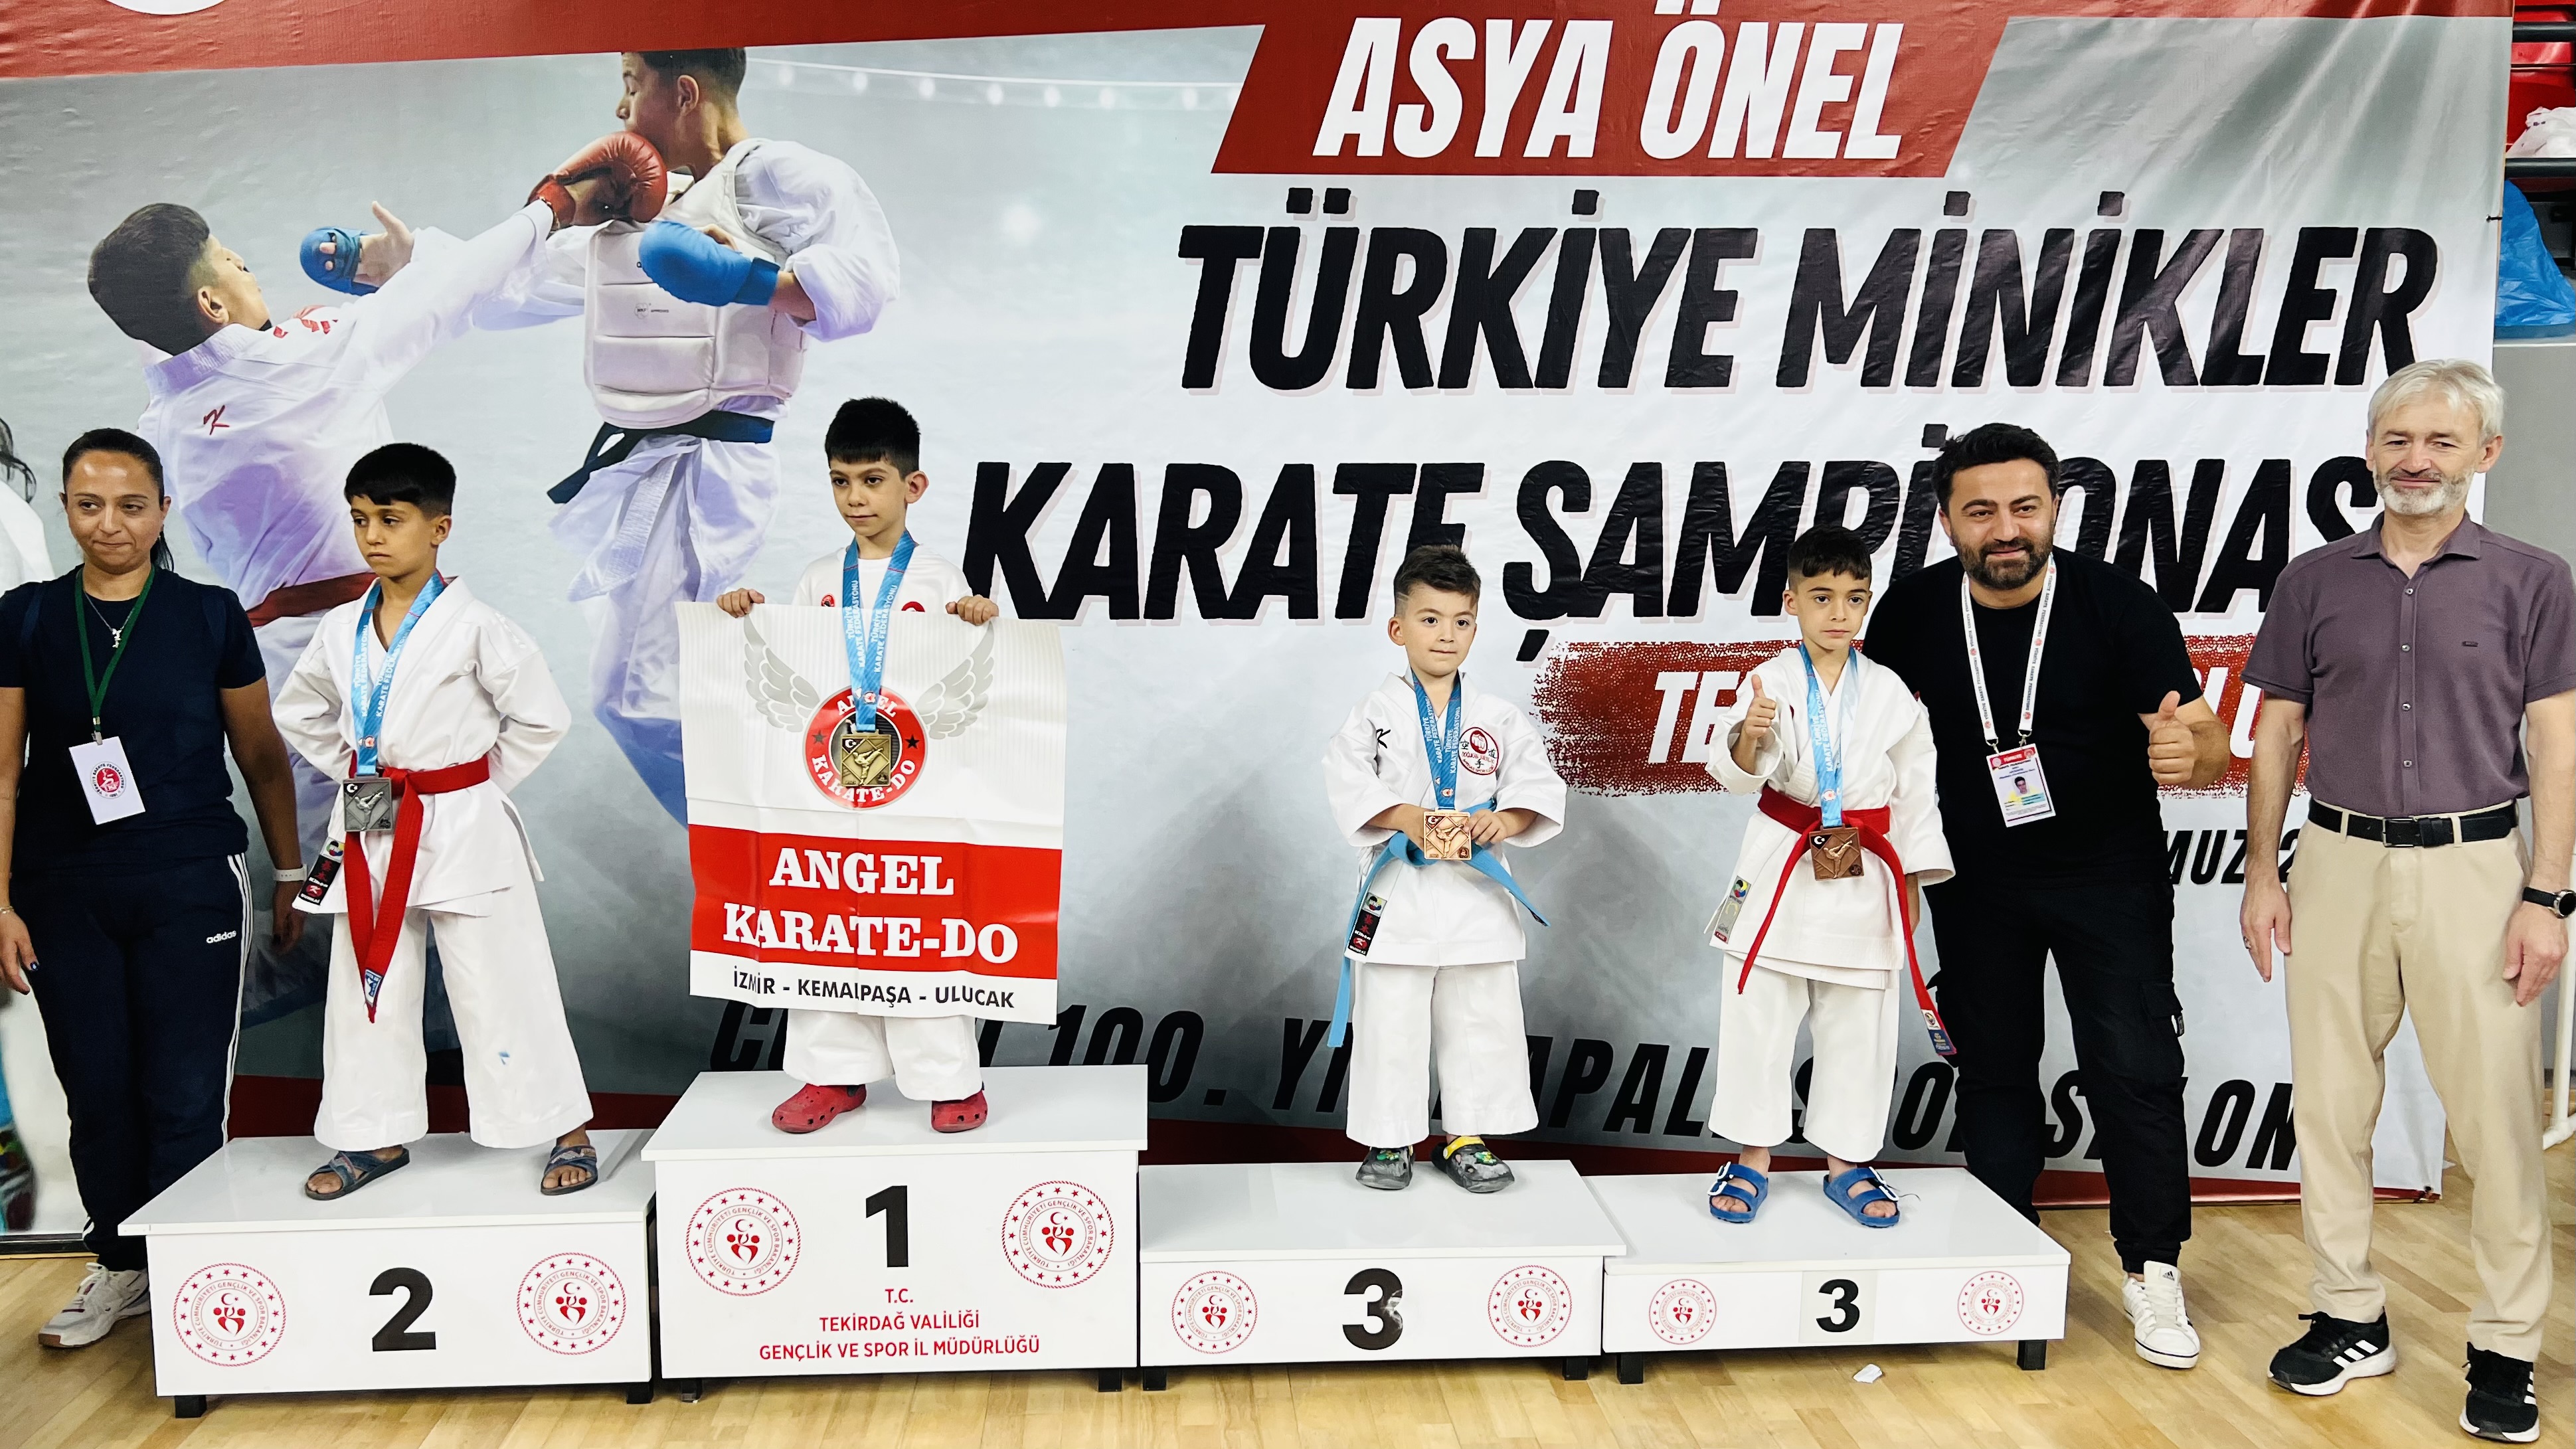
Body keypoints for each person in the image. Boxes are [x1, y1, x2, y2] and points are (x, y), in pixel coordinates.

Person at [85, 155, 645, 1019]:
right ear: (211, 304)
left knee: (356, 873)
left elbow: (204, 330)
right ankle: (413, 1024)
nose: (245, 264)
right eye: (229, 258)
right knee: (406, 870)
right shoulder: (301, 363)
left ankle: (298, 988)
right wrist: (550, 206)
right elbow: (448, 293)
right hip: (369, 656)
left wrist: (399, 269)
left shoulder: (165, 418)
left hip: (283, 669)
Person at [2240, 359, 2563, 1444]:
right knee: (2329, 1106)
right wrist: (2260, 872)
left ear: (2484, 453)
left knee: (2495, 1118)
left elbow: (2554, 746)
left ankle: (2503, 1343)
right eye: (2396, 439)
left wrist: (2544, 893)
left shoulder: (2532, 580)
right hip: (2334, 860)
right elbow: (2275, 733)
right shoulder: (2311, 580)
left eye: (2438, 440)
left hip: (2476, 867)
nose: (2413, 459)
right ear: (2369, 448)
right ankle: (2346, 1315)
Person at [1861, 422, 2230, 1371]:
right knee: (1993, 1069)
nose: (2005, 528)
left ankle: (2151, 1267)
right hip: (1973, 878)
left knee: (2135, 1067)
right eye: (1980, 510)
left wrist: (2192, 754)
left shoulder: (2118, 605)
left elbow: (2205, 741)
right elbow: (1866, 741)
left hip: (2107, 876)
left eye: (2024, 506)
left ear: (2054, 509)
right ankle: (2003, 1251)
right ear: (1946, 521)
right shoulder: (1909, 612)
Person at [460, 47, 901, 822]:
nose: (621, 110)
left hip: (711, 470)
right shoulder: (648, 209)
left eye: (632, 86)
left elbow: (868, 282)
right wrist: (406, 267)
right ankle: (775, 836)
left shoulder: (778, 176)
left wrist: (750, 280)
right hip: (646, 470)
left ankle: (791, 832)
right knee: (642, 690)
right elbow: (527, 282)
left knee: (644, 696)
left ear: (686, 92)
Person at [0, 430, 305, 1346]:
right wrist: (0, 901)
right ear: (65, 509)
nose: (111, 524)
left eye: (132, 505)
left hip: (189, 880)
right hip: (61, 888)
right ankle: (121, 1266)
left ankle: (190, 1272)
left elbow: (261, 756)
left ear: (164, 510)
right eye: (89, 504)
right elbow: (4, 774)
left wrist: (290, 871)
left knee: (182, 1092)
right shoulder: (25, 616)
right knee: (97, 1091)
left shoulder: (210, 615)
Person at [272, 444, 596, 1199]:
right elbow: (299, 709)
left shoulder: (479, 626)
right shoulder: (340, 628)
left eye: (391, 519)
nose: (373, 536)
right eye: (360, 520)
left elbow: (542, 719)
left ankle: (564, 1127)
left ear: (439, 527)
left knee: (500, 978)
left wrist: (470, 788)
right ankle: (371, 1135)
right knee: (367, 983)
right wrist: (364, 772)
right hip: (372, 818)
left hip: (460, 823)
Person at [717, 398, 1000, 1134]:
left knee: (918, 929)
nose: (855, 498)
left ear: (913, 486)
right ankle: (833, 1075)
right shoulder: (818, 578)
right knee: (828, 926)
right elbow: (791, 668)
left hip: (916, 789)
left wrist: (975, 620)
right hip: (830, 785)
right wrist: (748, 615)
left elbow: (965, 684)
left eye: (873, 480)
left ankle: (949, 1079)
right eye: (840, 481)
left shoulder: (939, 580)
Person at [1701, 525, 1952, 1228]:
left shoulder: (1892, 692)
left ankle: (1848, 1162)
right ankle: (1751, 1158)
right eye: (1821, 597)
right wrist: (1750, 736)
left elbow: (1916, 792)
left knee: (1859, 1025)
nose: (1839, 613)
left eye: (1854, 598)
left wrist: (1912, 882)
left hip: (1864, 870)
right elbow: (1738, 771)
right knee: (1758, 1015)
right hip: (1782, 861)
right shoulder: (1769, 681)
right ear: (1791, 601)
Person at [1320, 544, 1565, 1193]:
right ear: (1397, 628)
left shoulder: (1498, 716)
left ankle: (1467, 1137)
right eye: (1429, 619)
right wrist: (1407, 816)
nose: (1446, 634)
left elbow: (1537, 786)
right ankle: (1389, 1140)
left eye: (1461, 621)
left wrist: (1507, 820)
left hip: (1475, 892)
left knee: (1481, 1018)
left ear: (1476, 629)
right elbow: (1348, 781)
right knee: (1390, 1020)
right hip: (1399, 890)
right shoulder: (1374, 714)